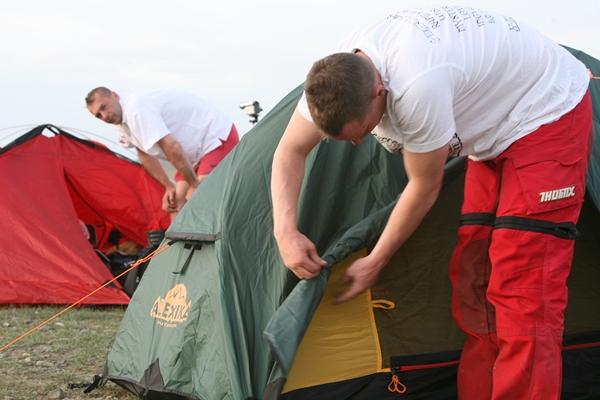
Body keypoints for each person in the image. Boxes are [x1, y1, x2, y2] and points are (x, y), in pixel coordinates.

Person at [270, 6, 593, 400]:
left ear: (380, 91)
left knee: (522, 288)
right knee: (472, 272)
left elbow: (424, 187)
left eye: (365, 130)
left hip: (546, 114)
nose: (359, 143)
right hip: (489, 136)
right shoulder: (333, 79)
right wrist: (285, 230)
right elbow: (289, 152)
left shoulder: (417, 83)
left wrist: (376, 260)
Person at [86, 88, 239, 216]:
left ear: (115, 95)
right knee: (175, 205)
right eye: (98, 115)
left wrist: (194, 183)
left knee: (198, 198)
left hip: (214, 136)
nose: (104, 116)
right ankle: (178, 249)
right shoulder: (121, 125)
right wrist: (168, 186)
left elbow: (171, 146)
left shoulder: (137, 110)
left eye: (104, 107)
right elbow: (144, 154)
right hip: (191, 154)